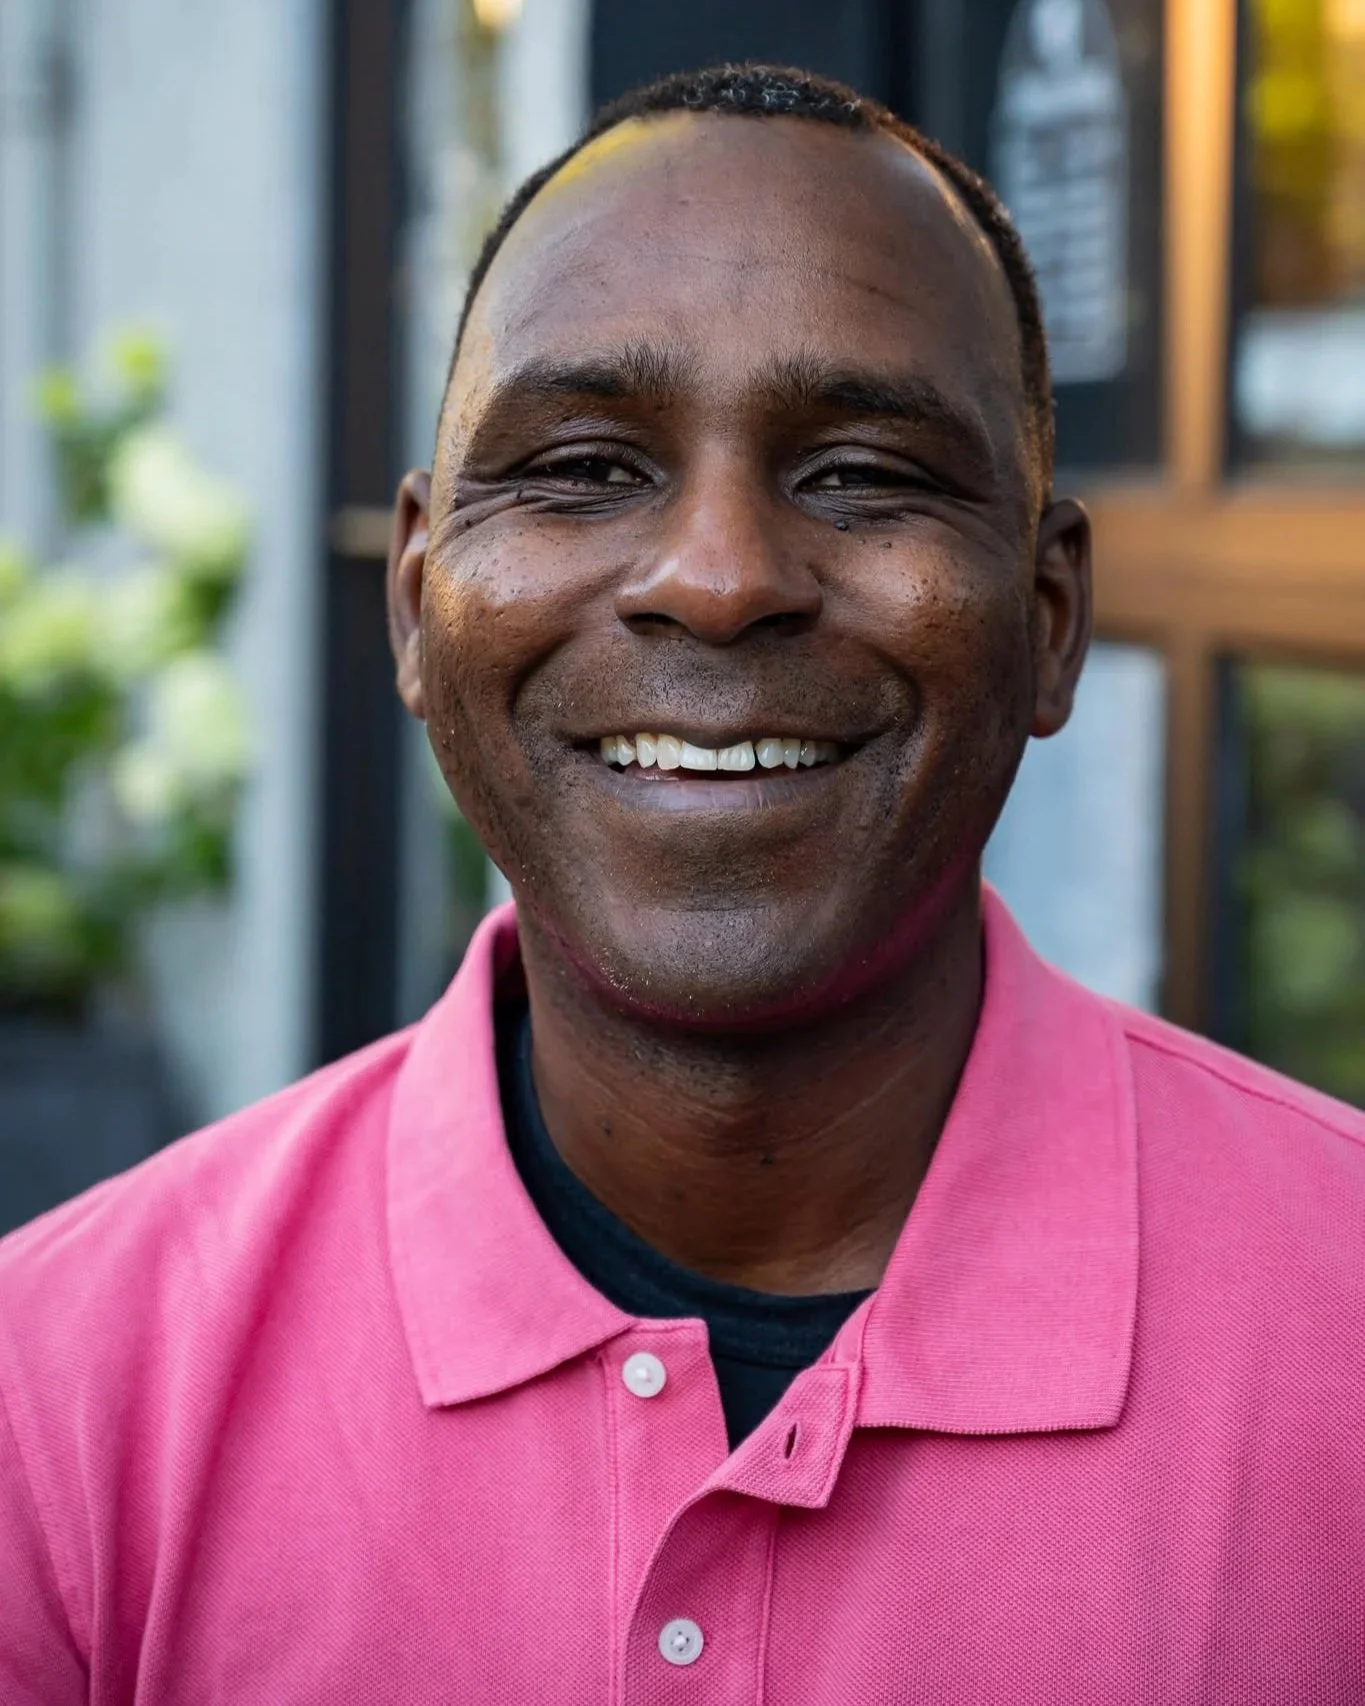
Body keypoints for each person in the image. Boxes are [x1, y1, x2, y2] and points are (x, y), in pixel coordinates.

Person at [2, 64, 1363, 1704]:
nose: (718, 579)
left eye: (863, 474)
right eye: (582, 467)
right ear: (418, 609)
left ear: (1049, 615)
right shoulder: (61, 1401)